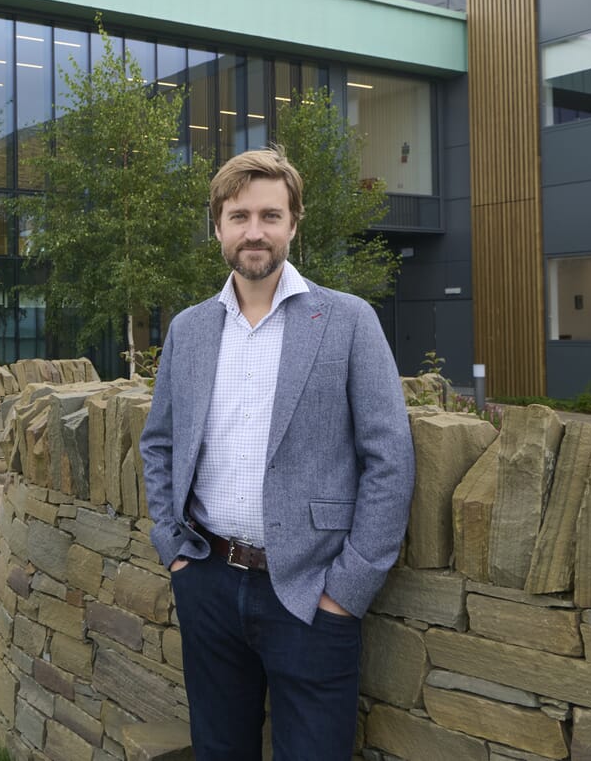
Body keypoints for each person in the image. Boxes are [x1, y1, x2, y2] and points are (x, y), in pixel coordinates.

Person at [140, 148, 415, 759]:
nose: (254, 231)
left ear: (293, 223)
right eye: (239, 216)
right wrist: (175, 553)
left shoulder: (347, 321)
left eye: (270, 215)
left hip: (312, 593)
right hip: (207, 580)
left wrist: (347, 588)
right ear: (218, 227)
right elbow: (159, 442)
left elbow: (389, 457)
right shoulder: (190, 328)